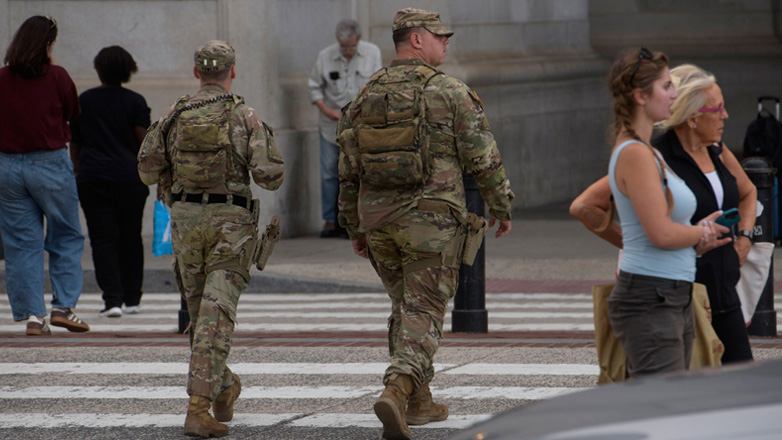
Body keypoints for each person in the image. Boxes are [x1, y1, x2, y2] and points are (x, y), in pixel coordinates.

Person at [337, 8, 514, 439]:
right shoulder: (449, 92)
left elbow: (348, 168)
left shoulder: (365, 95)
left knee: (406, 308)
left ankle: (420, 401)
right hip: (430, 221)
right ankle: (396, 390)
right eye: (439, 35)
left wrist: (354, 227)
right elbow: (482, 156)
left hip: (378, 222)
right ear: (416, 39)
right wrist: (501, 205)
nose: (446, 42)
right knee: (425, 309)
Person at [137, 40, 285, 438]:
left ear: (196, 73)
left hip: (185, 224)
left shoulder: (173, 115)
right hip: (230, 226)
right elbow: (270, 175)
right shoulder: (244, 115)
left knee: (202, 313)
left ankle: (223, 387)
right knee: (216, 317)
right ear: (232, 72)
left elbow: (147, 170)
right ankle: (198, 408)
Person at [571, 64, 756, 364]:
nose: (726, 115)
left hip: (723, 289)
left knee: (738, 391)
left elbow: (748, 192)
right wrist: (631, 241)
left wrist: (744, 239)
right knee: (684, 393)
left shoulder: (716, 149)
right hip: (681, 289)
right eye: (718, 108)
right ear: (694, 117)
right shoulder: (654, 155)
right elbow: (585, 206)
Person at [0, 15, 89, 336]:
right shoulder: (58, 76)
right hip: (49, 162)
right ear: (48, 45)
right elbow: (71, 113)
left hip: (8, 166)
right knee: (65, 234)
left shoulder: (2, 78)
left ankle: (33, 317)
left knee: (22, 243)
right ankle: (63, 307)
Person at [70, 46, 151, 318]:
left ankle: (112, 300)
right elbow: (144, 140)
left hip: (94, 177)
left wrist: (77, 171)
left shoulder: (86, 100)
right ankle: (133, 298)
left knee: (103, 238)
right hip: (130, 176)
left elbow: (76, 143)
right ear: (128, 70)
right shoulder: (135, 101)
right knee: (131, 236)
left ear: (99, 70)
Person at [308, 19, 382, 238]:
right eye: (344, 48)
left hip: (361, 126)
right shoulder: (325, 56)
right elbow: (313, 88)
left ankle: (358, 221)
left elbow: (376, 87)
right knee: (330, 173)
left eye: (351, 47)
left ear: (358, 40)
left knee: (360, 171)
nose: (348, 52)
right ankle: (330, 221)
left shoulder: (372, 53)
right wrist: (326, 109)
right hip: (331, 125)